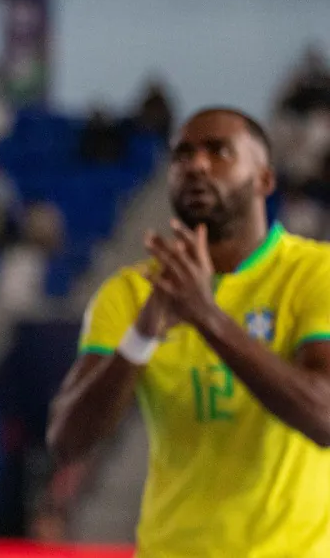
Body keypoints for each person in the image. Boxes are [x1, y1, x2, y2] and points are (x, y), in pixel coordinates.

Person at [47, 107, 330, 557]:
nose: (196, 164)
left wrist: (206, 316)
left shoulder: (316, 273)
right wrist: (141, 336)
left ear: (264, 179)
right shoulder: (129, 293)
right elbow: (66, 440)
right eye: (183, 154)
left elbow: (324, 416)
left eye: (220, 152)